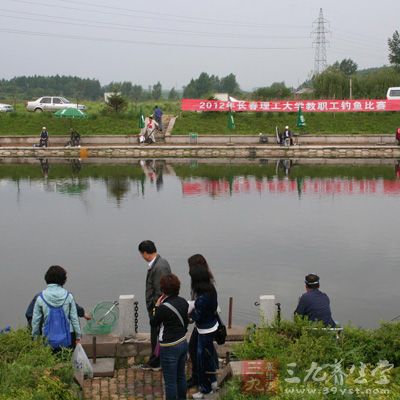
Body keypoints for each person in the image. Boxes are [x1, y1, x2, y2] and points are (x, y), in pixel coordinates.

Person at [152, 274, 189, 400]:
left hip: (169, 347)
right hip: (183, 343)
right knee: (181, 377)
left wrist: (156, 307)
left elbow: (153, 323)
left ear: (163, 291)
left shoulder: (162, 308)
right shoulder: (184, 302)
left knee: (170, 382)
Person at [138, 240, 171, 369]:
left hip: (157, 307)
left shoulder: (159, 267)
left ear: (145, 253)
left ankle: (156, 361)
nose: (142, 257)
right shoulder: (159, 263)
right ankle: (155, 359)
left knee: (156, 334)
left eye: (142, 254)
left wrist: (153, 307)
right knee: (156, 334)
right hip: (156, 306)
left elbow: (160, 291)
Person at [31, 265, 81, 350]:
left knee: (50, 362)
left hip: (48, 339)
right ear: (63, 280)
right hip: (68, 337)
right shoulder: (68, 296)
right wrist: (78, 336)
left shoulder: (40, 298)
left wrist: (35, 339)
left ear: (47, 278)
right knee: (68, 361)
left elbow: (35, 321)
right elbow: (74, 318)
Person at [189, 261, 219, 399]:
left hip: (204, 330)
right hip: (212, 326)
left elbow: (197, 316)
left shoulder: (202, 297)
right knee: (209, 356)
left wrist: (189, 313)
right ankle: (213, 381)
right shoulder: (211, 289)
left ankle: (205, 389)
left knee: (201, 359)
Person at [26, 294, 90, 329]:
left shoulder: (39, 297)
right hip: (61, 336)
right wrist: (83, 314)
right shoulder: (66, 296)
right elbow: (75, 309)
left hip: (42, 334)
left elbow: (29, 314)